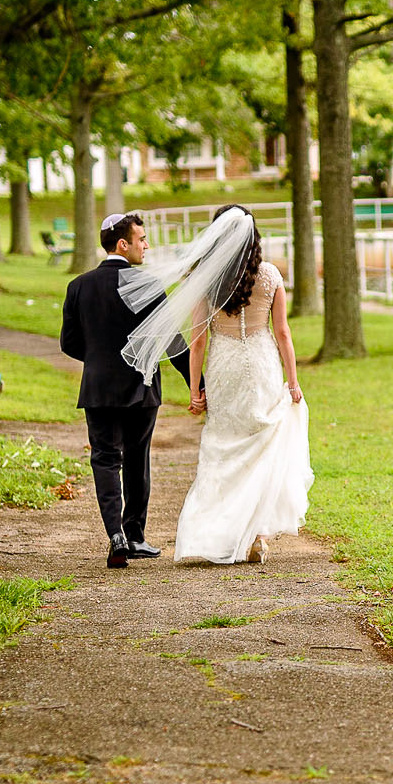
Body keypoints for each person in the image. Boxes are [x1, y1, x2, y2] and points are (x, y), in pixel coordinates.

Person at [117, 205, 310, 564]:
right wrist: (293, 381)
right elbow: (282, 333)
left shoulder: (206, 278)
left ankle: (216, 534)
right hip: (262, 364)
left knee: (224, 444)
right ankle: (257, 534)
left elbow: (198, 341)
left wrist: (194, 389)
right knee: (261, 442)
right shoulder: (269, 275)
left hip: (224, 367)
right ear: (254, 238)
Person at [59, 212, 182, 569]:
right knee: (136, 459)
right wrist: (199, 385)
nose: (147, 246)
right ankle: (136, 536)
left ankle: (116, 535)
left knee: (105, 459)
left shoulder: (78, 286)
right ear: (122, 244)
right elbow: (172, 342)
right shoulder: (147, 285)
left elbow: (69, 343)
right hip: (141, 390)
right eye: (142, 239)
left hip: (98, 388)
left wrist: (98, 360)